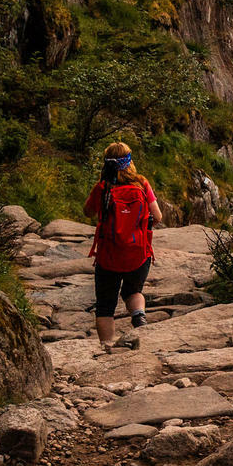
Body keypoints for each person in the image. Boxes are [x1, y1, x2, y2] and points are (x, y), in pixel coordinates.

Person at [84, 140, 163, 346]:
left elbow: (87, 212)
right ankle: (138, 315)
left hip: (108, 255)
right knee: (132, 291)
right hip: (138, 253)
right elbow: (158, 216)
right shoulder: (142, 184)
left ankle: (107, 348)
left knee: (105, 306)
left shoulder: (102, 187)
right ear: (129, 162)